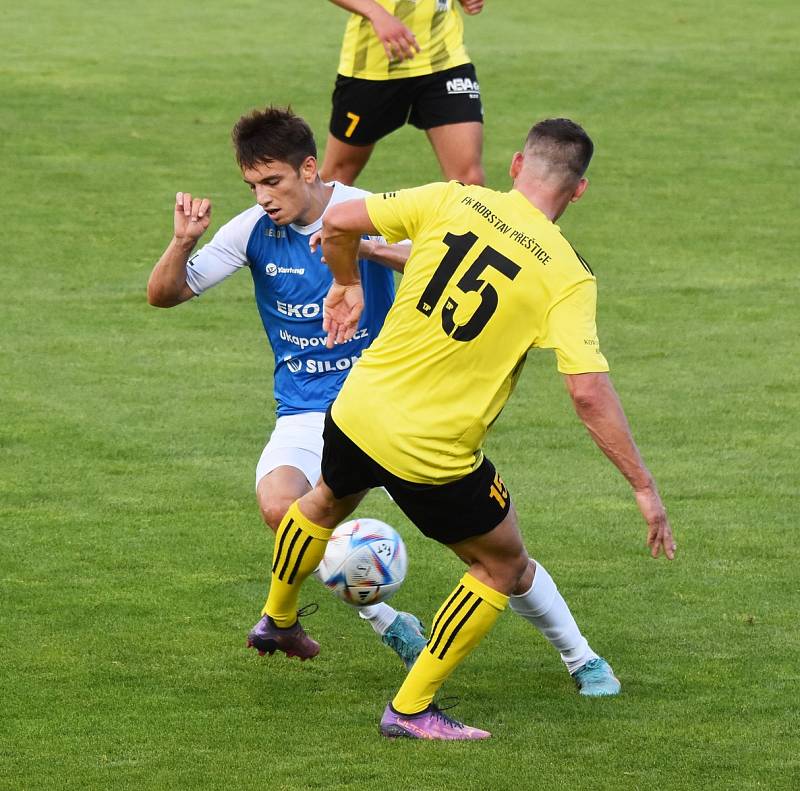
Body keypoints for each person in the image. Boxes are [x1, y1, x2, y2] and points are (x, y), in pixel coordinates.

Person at [254, 118, 676, 740]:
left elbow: (339, 221)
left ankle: (277, 618)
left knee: (324, 499)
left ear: (514, 166)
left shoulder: (455, 198)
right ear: (579, 191)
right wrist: (642, 485)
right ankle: (412, 708)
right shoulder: (567, 274)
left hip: (356, 407)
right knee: (501, 565)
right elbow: (588, 392)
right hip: (431, 452)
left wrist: (346, 283)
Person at [146, 106, 427, 668]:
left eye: (272, 182)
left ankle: (579, 655)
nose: (263, 197)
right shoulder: (253, 230)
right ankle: (388, 622)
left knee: (485, 544)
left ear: (309, 168)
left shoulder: (366, 208)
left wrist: (364, 245)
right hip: (305, 411)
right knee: (281, 507)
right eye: (252, 185)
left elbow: (437, 261)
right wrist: (182, 242)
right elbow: (164, 295)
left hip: (384, 405)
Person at [320, 0, 486, 186]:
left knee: (470, 181)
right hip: (373, 69)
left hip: (445, 61)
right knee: (337, 177)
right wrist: (377, 14)